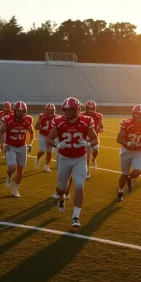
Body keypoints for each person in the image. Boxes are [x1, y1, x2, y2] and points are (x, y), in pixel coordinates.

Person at [47, 97, 98, 228]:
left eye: (70, 110)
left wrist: (87, 143)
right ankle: (62, 199)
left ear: (77, 110)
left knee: (80, 185)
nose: (67, 112)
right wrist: (57, 144)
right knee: (61, 189)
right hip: (64, 158)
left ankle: (75, 216)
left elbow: (95, 139)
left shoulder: (86, 121)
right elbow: (49, 139)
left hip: (80, 158)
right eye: (66, 110)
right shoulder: (58, 121)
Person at [116, 104, 141, 201]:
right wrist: (128, 143)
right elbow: (119, 139)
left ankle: (130, 179)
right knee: (124, 174)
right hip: (126, 151)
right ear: (133, 114)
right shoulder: (127, 123)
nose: (138, 116)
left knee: (137, 171)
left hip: (137, 151)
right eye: (137, 114)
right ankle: (120, 191)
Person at [0, 101, 34, 198]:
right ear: (14, 111)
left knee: (20, 170)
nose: (21, 114)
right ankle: (9, 175)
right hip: (11, 146)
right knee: (12, 168)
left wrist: (30, 143)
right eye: (19, 111)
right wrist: (4, 143)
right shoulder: (8, 120)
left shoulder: (27, 120)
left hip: (22, 147)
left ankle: (15, 190)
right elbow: (0, 132)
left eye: (23, 111)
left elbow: (32, 132)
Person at [80, 100, 104, 178]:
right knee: (86, 155)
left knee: (96, 151)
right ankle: (87, 171)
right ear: (86, 108)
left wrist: (99, 130)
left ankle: (93, 159)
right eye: (89, 108)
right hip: (85, 138)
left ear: (95, 108)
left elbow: (102, 127)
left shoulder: (99, 116)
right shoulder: (81, 115)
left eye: (92, 108)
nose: (90, 110)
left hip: (94, 137)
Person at [35, 103, 58, 172]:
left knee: (49, 152)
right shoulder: (42, 116)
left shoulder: (57, 117)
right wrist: (43, 128)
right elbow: (36, 127)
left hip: (51, 137)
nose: (50, 112)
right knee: (42, 150)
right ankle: (38, 158)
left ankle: (46, 166)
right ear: (46, 110)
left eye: (52, 110)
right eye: (49, 110)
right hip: (43, 135)